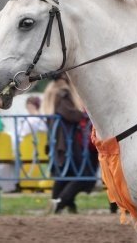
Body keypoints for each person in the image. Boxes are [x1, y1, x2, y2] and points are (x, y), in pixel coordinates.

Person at [42, 73, 99, 214]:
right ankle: (59, 203)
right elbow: (69, 113)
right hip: (67, 139)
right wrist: (87, 114)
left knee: (64, 174)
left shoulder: (51, 91)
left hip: (58, 138)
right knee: (82, 175)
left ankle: (62, 204)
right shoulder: (63, 93)